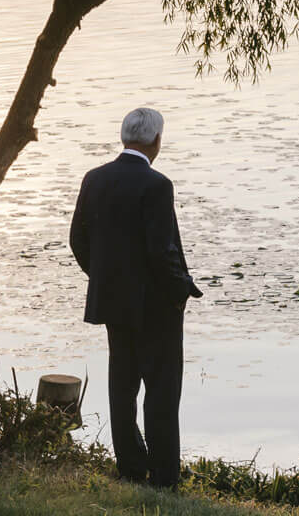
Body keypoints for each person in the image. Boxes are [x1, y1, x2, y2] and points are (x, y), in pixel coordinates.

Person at [69, 106, 202, 488]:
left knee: (122, 386)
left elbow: (78, 240)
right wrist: (180, 292)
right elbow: (162, 251)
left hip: (114, 303)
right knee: (161, 392)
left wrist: (105, 278)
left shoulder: (94, 178)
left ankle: (130, 466)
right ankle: (163, 476)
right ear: (157, 140)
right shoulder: (157, 185)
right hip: (156, 306)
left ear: (124, 136)